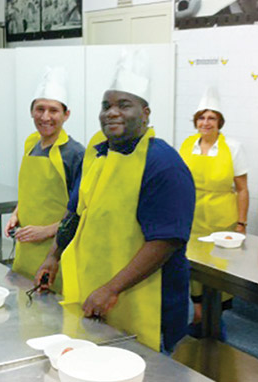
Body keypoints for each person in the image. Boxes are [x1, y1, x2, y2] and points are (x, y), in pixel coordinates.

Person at [35, 50, 195, 353]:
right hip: (97, 293)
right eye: (106, 105)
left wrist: (112, 288)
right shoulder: (97, 153)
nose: (112, 112)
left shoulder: (163, 164)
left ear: (145, 113)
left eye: (124, 105)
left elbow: (166, 240)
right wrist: (54, 255)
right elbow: (75, 212)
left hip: (144, 300)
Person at [179, 87, 249, 338]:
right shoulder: (187, 144)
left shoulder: (233, 146)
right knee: (194, 270)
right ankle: (199, 315)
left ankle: (214, 318)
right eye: (201, 117)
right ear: (196, 121)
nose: (205, 123)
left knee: (221, 271)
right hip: (193, 219)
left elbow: (242, 189)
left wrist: (241, 224)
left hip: (223, 222)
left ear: (219, 121)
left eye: (211, 118)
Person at [5, 66, 84, 287]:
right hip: (25, 249)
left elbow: (83, 211)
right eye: (39, 109)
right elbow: (33, 192)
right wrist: (16, 213)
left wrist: (46, 231)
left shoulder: (75, 153)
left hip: (57, 251)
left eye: (53, 110)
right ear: (31, 111)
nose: (45, 117)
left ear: (66, 115)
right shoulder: (31, 144)